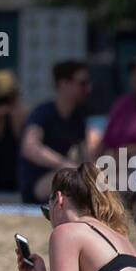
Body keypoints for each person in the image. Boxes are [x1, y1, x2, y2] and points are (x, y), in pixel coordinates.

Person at [18, 60, 92, 203]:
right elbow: (29, 147)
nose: (88, 89)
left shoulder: (78, 116)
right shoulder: (42, 113)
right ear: (64, 84)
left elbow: (85, 154)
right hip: (36, 185)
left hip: (61, 177)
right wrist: (65, 164)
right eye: (82, 83)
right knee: (75, 178)